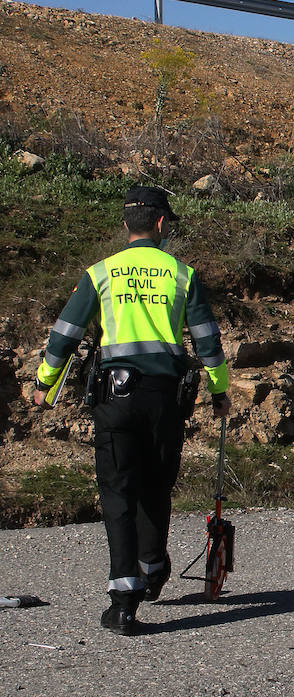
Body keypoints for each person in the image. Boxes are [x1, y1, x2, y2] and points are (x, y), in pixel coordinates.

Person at [30, 185, 231, 636]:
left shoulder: (100, 273)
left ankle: (124, 602)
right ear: (161, 224)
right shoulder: (182, 274)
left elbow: (65, 334)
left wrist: (44, 383)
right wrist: (219, 392)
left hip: (115, 399)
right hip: (165, 399)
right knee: (157, 485)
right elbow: (207, 341)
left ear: (126, 225)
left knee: (119, 494)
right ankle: (153, 564)